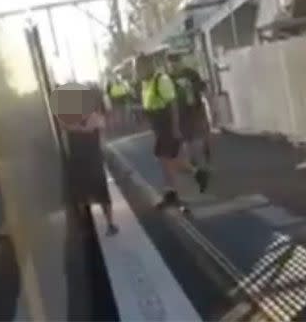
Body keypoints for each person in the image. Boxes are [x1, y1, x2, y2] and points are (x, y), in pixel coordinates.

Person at [135, 54, 209, 211]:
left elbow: (172, 104)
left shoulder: (161, 79)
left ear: (148, 66)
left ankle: (179, 193)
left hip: (167, 124)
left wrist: (175, 128)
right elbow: (150, 103)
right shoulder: (145, 83)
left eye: (138, 67)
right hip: (158, 126)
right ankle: (179, 187)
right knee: (165, 160)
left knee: (170, 161)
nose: (137, 71)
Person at [53, 84, 118, 236]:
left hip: (86, 158)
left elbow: (78, 127)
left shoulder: (87, 117)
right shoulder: (89, 116)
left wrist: (74, 126)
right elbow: (86, 127)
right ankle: (105, 224)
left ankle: (104, 223)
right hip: (87, 158)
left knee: (88, 193)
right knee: (88, 193)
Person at [167, 52, 212, 168]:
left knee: (203, 131)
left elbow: (203, 87)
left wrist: (210, 102)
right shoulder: (169, 79)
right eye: (171, 63)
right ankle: (193, 160)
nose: (174, 65)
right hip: (182, 111)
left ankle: (205, 148)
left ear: (180, 62)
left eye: (176, 62)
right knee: (187, 137)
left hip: (196, 106)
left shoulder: (191, 73)